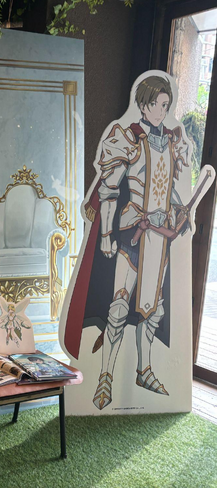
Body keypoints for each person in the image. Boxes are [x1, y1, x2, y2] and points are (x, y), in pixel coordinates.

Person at [64, 75, 191, 410]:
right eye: (159, 104)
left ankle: (143, 370)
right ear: (144, 105)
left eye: (167, 105)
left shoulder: (171, 141)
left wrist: (181, 210)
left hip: (159, 239)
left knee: (154, 308)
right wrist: (106, 234)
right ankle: (105, 377)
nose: (163, 110)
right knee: (119, 306)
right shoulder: (128, 138)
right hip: (133, 234)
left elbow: (167, 188)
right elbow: (109, 189)